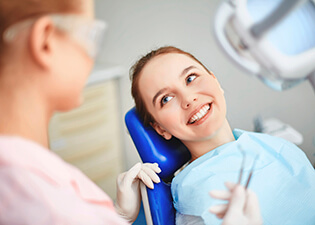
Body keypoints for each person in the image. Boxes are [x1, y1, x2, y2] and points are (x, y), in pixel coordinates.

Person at [0, 0, 160, 224]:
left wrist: (119, 217)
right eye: (90, 36)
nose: (91, 57)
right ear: (46, 42)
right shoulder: (41, 200)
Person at [130, 46, 315, 224]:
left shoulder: (269, 144)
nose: (188, 99)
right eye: (166, 99)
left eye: (190, 78)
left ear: (215, 81)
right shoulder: (200, 196)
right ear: (160, 129)